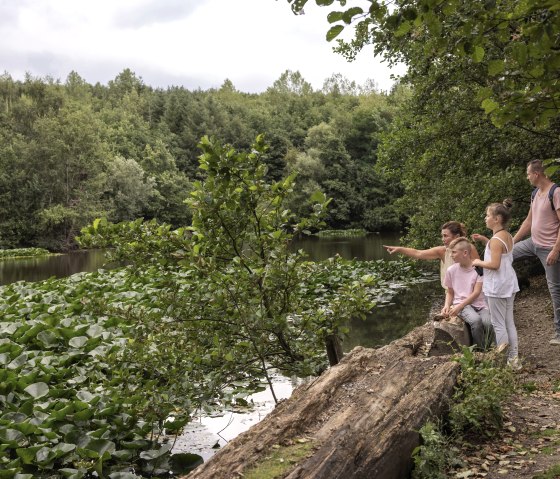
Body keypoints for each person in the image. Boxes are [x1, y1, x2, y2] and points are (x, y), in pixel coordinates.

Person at [512, 160, 560, 345]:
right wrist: (510, 243)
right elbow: (528, 221)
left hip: (549, 248)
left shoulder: (555, 192)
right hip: (533, 243)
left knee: (555, 289)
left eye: (528, 174)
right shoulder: (535, 193)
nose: (527, 177)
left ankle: (559, 332)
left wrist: (556, 249)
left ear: (537, 174)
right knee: (504, 256)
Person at [472, 200, 520, 369]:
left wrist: (478, 261)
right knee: (509, 323)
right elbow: (499, 252)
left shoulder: (496, 240)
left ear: (497, 218)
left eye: (487, 215)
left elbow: (494, 264)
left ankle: (502, 363)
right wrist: (486, 240)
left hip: (497, 287)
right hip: (509, 283)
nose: (485, 218)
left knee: (499, 324)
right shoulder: (506, 235)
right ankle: (514, 361)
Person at [384, 221, 479, 289]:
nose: (442, 239)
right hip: (451, 293)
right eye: (442, 236)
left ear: (457, 236)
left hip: (470, 292)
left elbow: (479, 271)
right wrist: (399, 249)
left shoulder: (469, 248)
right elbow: (418, 253)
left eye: (445, 236)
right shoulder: (442, 251)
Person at [441, 237, 493, 349]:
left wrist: (459, 307)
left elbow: (476, 293)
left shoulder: (478, 269)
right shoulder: (451, 270)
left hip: (479, 304)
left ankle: (489, 349)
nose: (451, 255)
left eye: (454, 252)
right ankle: (480, 352)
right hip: (462, 304)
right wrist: (447, 306)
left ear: (465, 253)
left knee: (488, 323)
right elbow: (450, 292)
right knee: (476, 321)